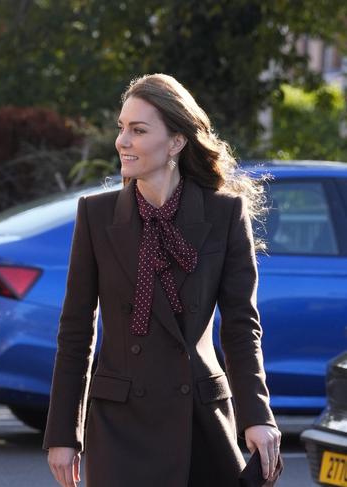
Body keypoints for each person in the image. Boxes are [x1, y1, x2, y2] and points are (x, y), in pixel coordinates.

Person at [44, 74, 281, 487]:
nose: (122, 141)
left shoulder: (224, 214)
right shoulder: (96, 216)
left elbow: (242, 328)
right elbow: (76, 331)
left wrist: (257, 417)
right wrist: (64, 434)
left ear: (175, 142)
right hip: (119, 425)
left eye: (138, 130)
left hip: (199, 418)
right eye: (121, 128)